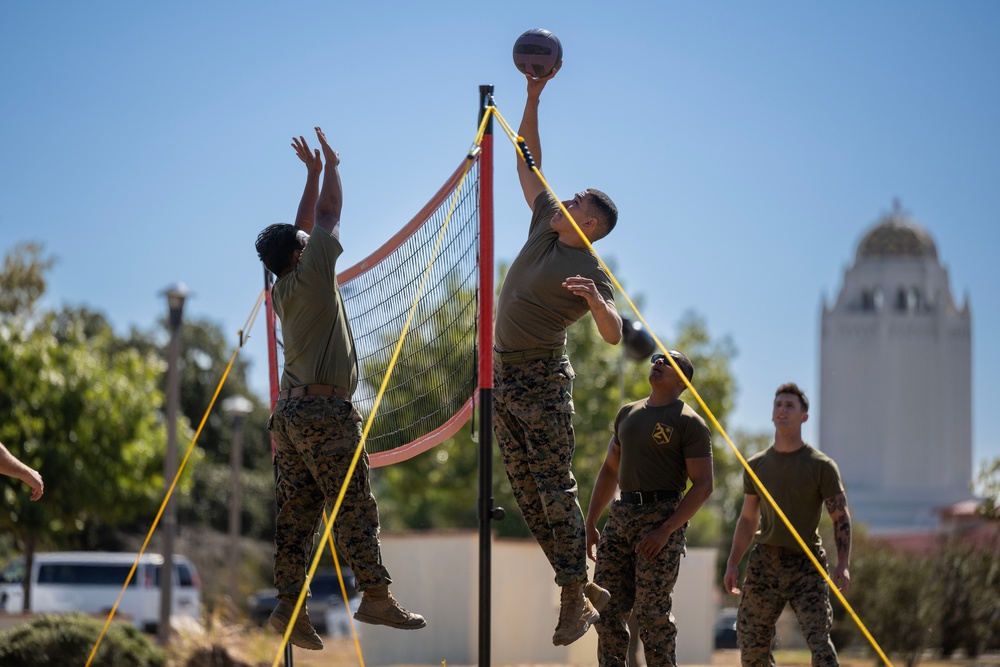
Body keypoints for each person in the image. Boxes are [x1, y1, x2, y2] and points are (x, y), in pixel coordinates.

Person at [255, 127, 425, 651]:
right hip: (324, 414)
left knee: (299, 514)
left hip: (293, 414)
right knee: (353, 505)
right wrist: (331, 167)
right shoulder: (310, 275)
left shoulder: (285, 282)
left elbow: (304, 226)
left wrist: (309, 175)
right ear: (301, 255)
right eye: (305, 243)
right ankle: (375, 594)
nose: (313, 239)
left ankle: (288, 607)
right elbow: (325, 218)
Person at [493, 67, 623, 647]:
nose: (563, 198)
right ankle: (580, 585)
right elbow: (527, 161)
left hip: (543, 383)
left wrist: (596, 302)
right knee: (526, 494)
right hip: (501, 376)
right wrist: (531, 96)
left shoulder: (592, 270)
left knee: (553, 489)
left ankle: (573, 599)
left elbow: (615, 334)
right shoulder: (546, 226)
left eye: (576, 202)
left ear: (588, 224)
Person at [585, 350, 714, 667]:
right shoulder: (627, 413)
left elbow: (703, 485)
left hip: (661, 518)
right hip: (621, 515)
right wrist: (590, 522)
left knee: (653, 614)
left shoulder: (689, 423)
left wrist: (665, 530)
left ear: (682, 380)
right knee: (607, 609)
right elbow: (609, 470)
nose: (659, 362)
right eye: (657, 357)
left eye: (669, 361)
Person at [723, 382, 851, 666]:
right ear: (771, 414)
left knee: (820, 642)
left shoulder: (821, 466)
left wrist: (843, 562)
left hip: (807, 564)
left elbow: (840, 517)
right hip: (765, 562)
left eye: (790, 405)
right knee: (751, 643)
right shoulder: (756, 465)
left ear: (804, 416)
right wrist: (733, 562)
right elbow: (747, 518)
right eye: (778, 405)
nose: (782, 410)